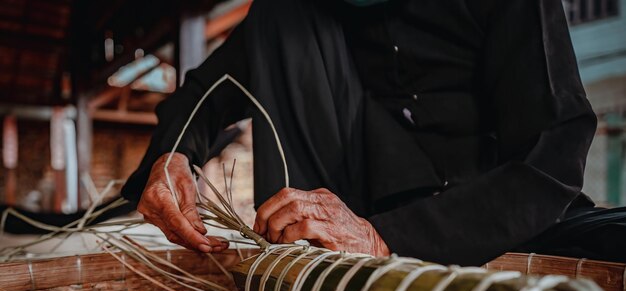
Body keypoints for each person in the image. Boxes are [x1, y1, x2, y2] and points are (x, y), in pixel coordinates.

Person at [122, 0, 626, 266]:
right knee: (284, 11)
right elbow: (205, 93)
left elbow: (553, 155)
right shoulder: (300, 15)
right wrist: (172, 157)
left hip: (501, 221)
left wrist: (385, 238)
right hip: (345, 228)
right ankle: (301, 272)